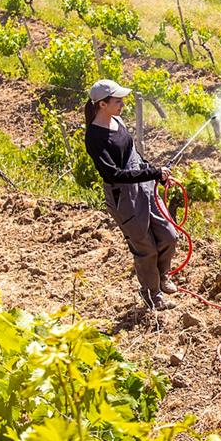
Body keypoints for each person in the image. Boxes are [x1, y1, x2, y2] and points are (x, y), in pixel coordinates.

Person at [83, 78, 179, 311]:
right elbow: (114, 174)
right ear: (102, 105)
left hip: (143, 188)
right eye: (118, 101)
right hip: (123, 198)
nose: (122, 104)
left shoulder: (117, 121)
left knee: (169, 236)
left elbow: (134, 157)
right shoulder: (95, 138)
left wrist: (155, 174)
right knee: (145, 248)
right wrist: (151, 173)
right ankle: (152, 295)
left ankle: (162, 275)